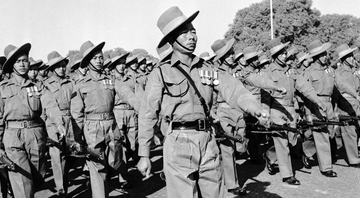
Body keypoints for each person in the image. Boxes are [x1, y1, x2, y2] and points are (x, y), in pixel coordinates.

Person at [137, 6, 269, 198]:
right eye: (185, 33)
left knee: (215, 193)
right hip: (178, 143)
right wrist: (144, 155)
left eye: (193, 31)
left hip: (207, 140)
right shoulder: (161, 73)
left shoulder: (206, 68)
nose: (192, 36)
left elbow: (232, 88)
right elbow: (148, 113)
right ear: (172, 40)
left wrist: (254, 107)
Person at [0, 43, 66, 198]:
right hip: (13, 137)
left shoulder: (37, 86)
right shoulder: (3, 88)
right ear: (12, 65)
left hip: (36, 135)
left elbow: (50, 104)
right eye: (18, 61)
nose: (22, 64)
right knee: (23, 182)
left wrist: (59, 122)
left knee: (38, 175)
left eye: (25, 60)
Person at [263, 38, 327, 185]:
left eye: (285, 52)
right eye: (283, 53)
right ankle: (287, 175)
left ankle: (270, 156)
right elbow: (265, 96)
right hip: (276, 108)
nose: (286, 55)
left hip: (291, 108)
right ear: (276, 55)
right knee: (281, 142)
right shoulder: (268, 72)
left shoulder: (291, 70)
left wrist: (318, 101)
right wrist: (265, 113)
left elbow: (304, 87)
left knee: (292, 139)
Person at [71, 41, 127, 198]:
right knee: (97, 167)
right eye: (95, 58)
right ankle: (99, 188)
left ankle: (101, 180)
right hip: (92, 128)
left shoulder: (110, 79)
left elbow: (126, 93)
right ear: (88, 62)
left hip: (111, 124)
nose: (99, 61)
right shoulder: (80, 83)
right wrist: (78, 138)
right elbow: (77, 113)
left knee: (115, 162)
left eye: (101, 57)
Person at [301, 40, 337, 177]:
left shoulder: (329, 70)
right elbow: (306, 94)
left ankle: (307, 151)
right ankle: (326, 168)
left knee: (330, 134)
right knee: (321, 137)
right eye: (321, 55)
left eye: (325, 54)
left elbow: (336, 91)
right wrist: (308, 113)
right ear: (315, 57)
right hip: (316, 105)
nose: (324, 57)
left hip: (329, 105)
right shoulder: (308, 72)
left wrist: (336, 110)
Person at [43, 51, 75, 196]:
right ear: (52, 69)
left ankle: (66, 180)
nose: (62, 68)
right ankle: (61, 189)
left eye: (63, 65)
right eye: (58, 66)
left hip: (71, 119)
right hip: (54, 123)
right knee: (57, 156)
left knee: (70, 154)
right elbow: (45, 108)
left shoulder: (71, 82)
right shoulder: (46, 85)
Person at [333, 43, 360, 167]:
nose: (352, 58)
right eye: (349, 56)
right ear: (343, 59)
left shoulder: (354, 71)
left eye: (352, 55)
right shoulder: (338, 73)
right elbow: (342, 88)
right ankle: (354, 160)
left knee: (356, 130)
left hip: (357, 105)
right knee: (349, 132)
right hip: (346, 104)